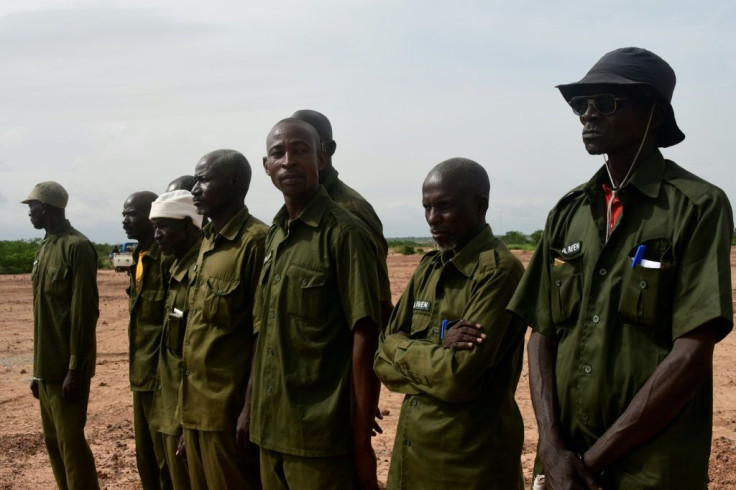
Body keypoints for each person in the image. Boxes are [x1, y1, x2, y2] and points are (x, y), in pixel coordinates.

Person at [508, 47, 733, 489]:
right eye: (580, 105)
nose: (587, 115)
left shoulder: (697, 206)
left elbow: (691, 352)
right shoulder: (568, 212)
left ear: (653, 113)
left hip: (648, 468)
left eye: (606, 103)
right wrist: (552, 447)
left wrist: (592, 461)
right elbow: (542, 336)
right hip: (564, 461)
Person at [374, 159, 526, 489]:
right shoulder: (429, 267)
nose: (432, 219)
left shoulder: (499, 273)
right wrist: (433, 351)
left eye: (444, 207)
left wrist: (399, 346)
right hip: (411, 459)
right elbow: (380, 360)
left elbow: (458, 377)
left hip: (468, 465)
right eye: (427, 207)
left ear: (480, 205)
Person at [247, 118, 382, 489]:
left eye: (300, 150)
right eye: (278, 153)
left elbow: (366, 335)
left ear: (322, 159)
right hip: (270, 430)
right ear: (266, 167)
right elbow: (264, 331)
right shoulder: (275, 235)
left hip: (320, 438)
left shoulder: (346, 232)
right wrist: (250, 408)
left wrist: (360, 442)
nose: (288, 160)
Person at [180, 149, 267, 489]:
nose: (195, 190)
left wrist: (248, 409)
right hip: (196, 409)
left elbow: (262, 335)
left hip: (228, 413)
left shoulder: (255, 242)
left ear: (232, 183)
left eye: (203, 180)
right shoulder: (207, 242)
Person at [22, 181, 100, 490]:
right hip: (48, 368)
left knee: (72, 447)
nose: (29, 214)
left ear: (46, 208)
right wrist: (38, 372)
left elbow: (84, 314)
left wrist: (75, 369)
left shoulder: (77, 247)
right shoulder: (44, 247)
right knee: (55, 444)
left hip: (68, 371)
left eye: (32, 208)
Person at [148, 190, 204, 490]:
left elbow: (194, 356)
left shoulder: (198, 272)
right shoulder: (175, 266)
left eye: (163, 226)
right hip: (168, 407)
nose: (156, 234)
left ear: (187, 226)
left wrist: (186, 423)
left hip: (185, 413)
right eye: (154, 226)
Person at [122, 191, 173, 490]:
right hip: (140, 375)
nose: (125, 221)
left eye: (131, 214)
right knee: (146, 459)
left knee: (166, 461)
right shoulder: (138, 259)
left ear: (151, 216)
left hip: (161, 379)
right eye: (123, 215)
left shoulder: (165, 258)